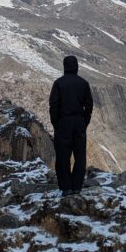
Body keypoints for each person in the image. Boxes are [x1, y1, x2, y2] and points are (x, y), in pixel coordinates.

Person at [48, 54, 94, 196]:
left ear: (64, 67)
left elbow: (53, 105)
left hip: (63, 122)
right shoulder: (83, 83)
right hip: (79, 122)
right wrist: (84, 121)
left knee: (63, 155)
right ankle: (77, 186)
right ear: (77, 67)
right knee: (80, 155)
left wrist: (56, 123)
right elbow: (89, 105)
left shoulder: (58, 83)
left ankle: (66, 187)